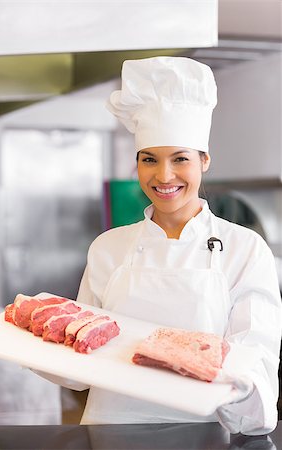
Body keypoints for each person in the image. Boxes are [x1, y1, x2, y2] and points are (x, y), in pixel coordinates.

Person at [76, 56, 281, 435]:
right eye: (149, 159)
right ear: (136, 164)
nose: (164, 175)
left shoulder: (246, 249)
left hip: (202, 429)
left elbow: (256, 361)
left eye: (180, 159)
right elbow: (78, 364)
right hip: (109, 428)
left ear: (204, 161)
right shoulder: (108, 247)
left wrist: (244, 393)